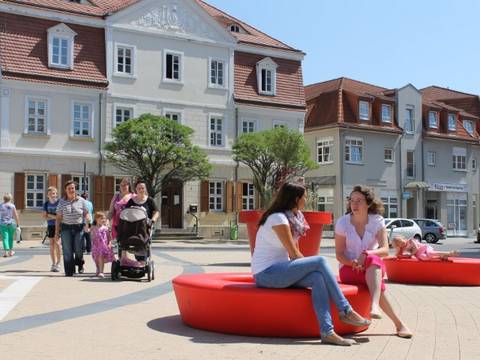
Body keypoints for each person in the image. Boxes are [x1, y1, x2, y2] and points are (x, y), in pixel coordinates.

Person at [252, 182, 370, 346]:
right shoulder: (278, 218)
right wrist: (312, 265)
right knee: (320, 261)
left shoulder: (295, 218)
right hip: (266, 274)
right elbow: (294, 254)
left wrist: (311, 268)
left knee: (317, 278)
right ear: (295, 198)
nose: (307, 199)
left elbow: (295, 254)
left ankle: (327, 332)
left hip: (281, 271)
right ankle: (346, 310)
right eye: (305, 196)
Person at [335, 185, 412, 338]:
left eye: (359, 201)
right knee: (377, 282)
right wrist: (353, 263)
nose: (354, 204)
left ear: (368, 203)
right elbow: (339, 254)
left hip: (372, 265)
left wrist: (366, 253)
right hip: (349, 269)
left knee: (373, 258)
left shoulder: (377, 221)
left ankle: (377, 307)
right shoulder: (343, 223)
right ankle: (396, 322)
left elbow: (384, 250)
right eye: (352, 200)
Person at [55, 180, 91, 277]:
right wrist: (56, 232)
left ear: (75, 189)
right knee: (67, 250)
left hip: (78, 228)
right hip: (66, 228)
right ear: (65, 190)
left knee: (79, 250)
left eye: (73, 188)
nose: (71, 190)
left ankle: (80, 265)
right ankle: (69, 271)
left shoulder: (81, 201)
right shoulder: (61, 202)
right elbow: (58, 218)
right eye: (69, 188)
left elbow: (86, 213)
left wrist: (88, 219)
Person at [122, 179, 159, 266]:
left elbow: (156, 212)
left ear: (145, 189)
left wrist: (153, 220)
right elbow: (126, 211)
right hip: (132, 226)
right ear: (136, 189)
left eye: (143, 188)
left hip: (145, 226)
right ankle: (130, 260)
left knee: (144, 241)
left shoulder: (149, 200)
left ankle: (142, 260)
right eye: (139, 188)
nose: (141, 190)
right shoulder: (131, 201)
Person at [392, 235, 459, 261]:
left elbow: (416, 249)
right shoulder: (403, 248)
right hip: (419, 254)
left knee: (429, 253)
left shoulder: (410, 240)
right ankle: (440, 257)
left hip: (424, 248)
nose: (402, 243)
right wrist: (398, 251)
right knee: (423, 257)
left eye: (402, 241)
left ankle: (449, 253)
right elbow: (398, 255)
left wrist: (410, 255)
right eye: (400, 244)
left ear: (404, 238)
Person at [108, 177, 134, 242]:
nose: (123, 187)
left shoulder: (133, 196)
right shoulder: (116, 196)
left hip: (130, 225)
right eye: (122, 185)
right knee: (120, 244)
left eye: (125, 185)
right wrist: (107, 221)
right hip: (117, 225)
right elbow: (111, 212)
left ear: (129, 186)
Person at [91, 212, 115, 278]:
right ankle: (98, 269)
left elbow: (109, 237)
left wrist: (110, 243)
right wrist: (87, 223)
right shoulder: (93, 227)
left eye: (104, 218)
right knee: (96, 259)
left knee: (101, 257)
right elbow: (87, 230)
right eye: (101, 218)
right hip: (96, 246)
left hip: (103, 246)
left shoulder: (105, 228)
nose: (103, 220)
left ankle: (101, 272)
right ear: (96, 219)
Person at [43, 187, 61, 271]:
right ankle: (53, 263)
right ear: (47, 195)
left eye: (54, 193)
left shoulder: (59, 202)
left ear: (56, 194)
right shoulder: (46, 204)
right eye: (50, 194)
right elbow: (44, 217)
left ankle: (59, 263)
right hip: (50, 226)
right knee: (51, 245)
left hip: (59, 226)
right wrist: (53, 216)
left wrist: (49, 215)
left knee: (57, 244)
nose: (53, 195)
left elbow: (60, 217)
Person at [0, 193, 20, 257]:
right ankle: (11, 252)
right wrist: (18, 224)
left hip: (3, 224)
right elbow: (16, 215)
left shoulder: (1, 205)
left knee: (5, 238)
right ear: (10, 199)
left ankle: (6, 252)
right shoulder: (12, 205)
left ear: (4, 198)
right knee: (10, 238)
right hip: (11, 224)